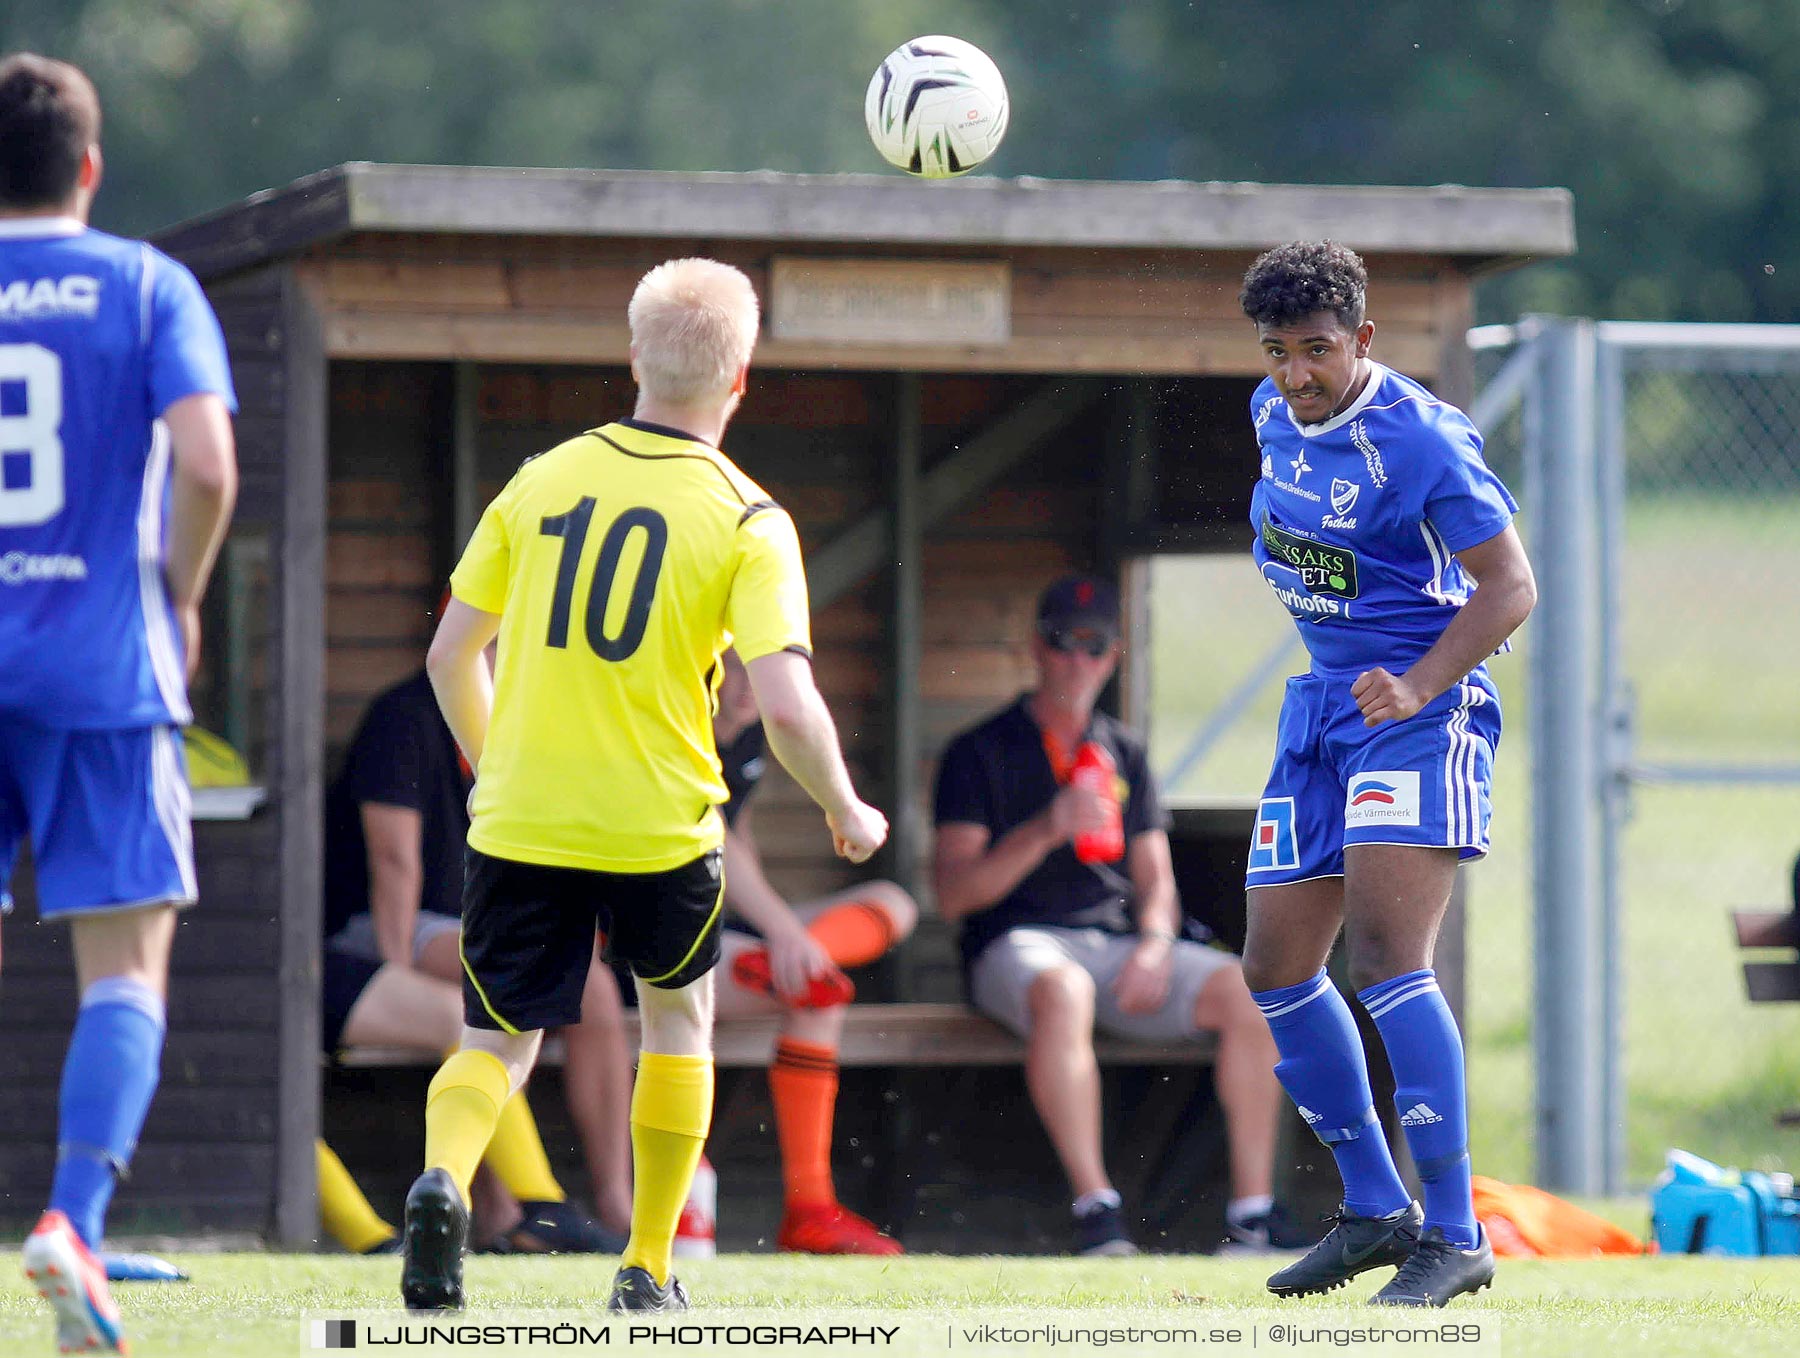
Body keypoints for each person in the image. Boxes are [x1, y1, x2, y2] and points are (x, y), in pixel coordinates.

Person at [403, 256, 887, 1314]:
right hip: (661, 827)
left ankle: (443, 1175)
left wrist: (498, 765)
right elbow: (791, 705)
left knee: (495, 1038)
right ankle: (648, 1265)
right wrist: (847, 807)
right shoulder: (750, 518)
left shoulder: (539, 478)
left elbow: (448, 655)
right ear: (742, 377)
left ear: (633, 358)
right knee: (679, 1023)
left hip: (524, 818)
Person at [1234, 241, 1535, 1307]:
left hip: (1418, 710)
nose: (1297, 374)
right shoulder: (1273, 416)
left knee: (1387, 955)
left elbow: (1509, 587)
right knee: (1272, 963)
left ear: (1361, 339)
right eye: (1277, 352)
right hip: (1322, 708)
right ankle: (1373, 1207)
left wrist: (1414, 682)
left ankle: (1455, 1234)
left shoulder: (1422, 440)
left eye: (1317, 350)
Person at [0, 53, 237, 1355]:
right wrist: (181, 592)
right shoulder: (148, 284)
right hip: (100, 671)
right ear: (89, 167)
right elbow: (205, 460)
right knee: (125, 960)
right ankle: (72, 1223)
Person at [933, 575, 1289, 1258]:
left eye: (1094, 646)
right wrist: (1045, 827)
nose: (1078, 661)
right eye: (1065, 642)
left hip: (1120, 949)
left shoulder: (1124, 749)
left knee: (1254, 992)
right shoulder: (978, 751)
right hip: (1016, 945)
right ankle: (1097, 1213)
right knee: (1062, 989)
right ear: (1036, 648)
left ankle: (1253, 1218)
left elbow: (1157, 880)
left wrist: (1156, 944)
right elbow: (955, 896)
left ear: (1114, 657)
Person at [322, 660, 631, 1251]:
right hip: (378, 931)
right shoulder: (406, 716)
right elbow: (393, 863)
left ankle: (611, 1202)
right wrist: (393, 972)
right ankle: (519, 1209)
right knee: (524, 992)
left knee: (587, 993)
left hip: (477, 924)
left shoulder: (533, 714)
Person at [708, 649, 917, 1254]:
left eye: (757, 668)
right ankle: (810, 1208)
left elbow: (737, 838)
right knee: (820, 997)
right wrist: (780, 932)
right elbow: (711, 840)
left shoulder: (747, 738)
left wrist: (779, 933)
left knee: (893, 902)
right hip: (651, 939)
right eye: (733, 668)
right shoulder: (678, 722)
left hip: (731, 935)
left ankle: (786, 962)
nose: (747, 687)